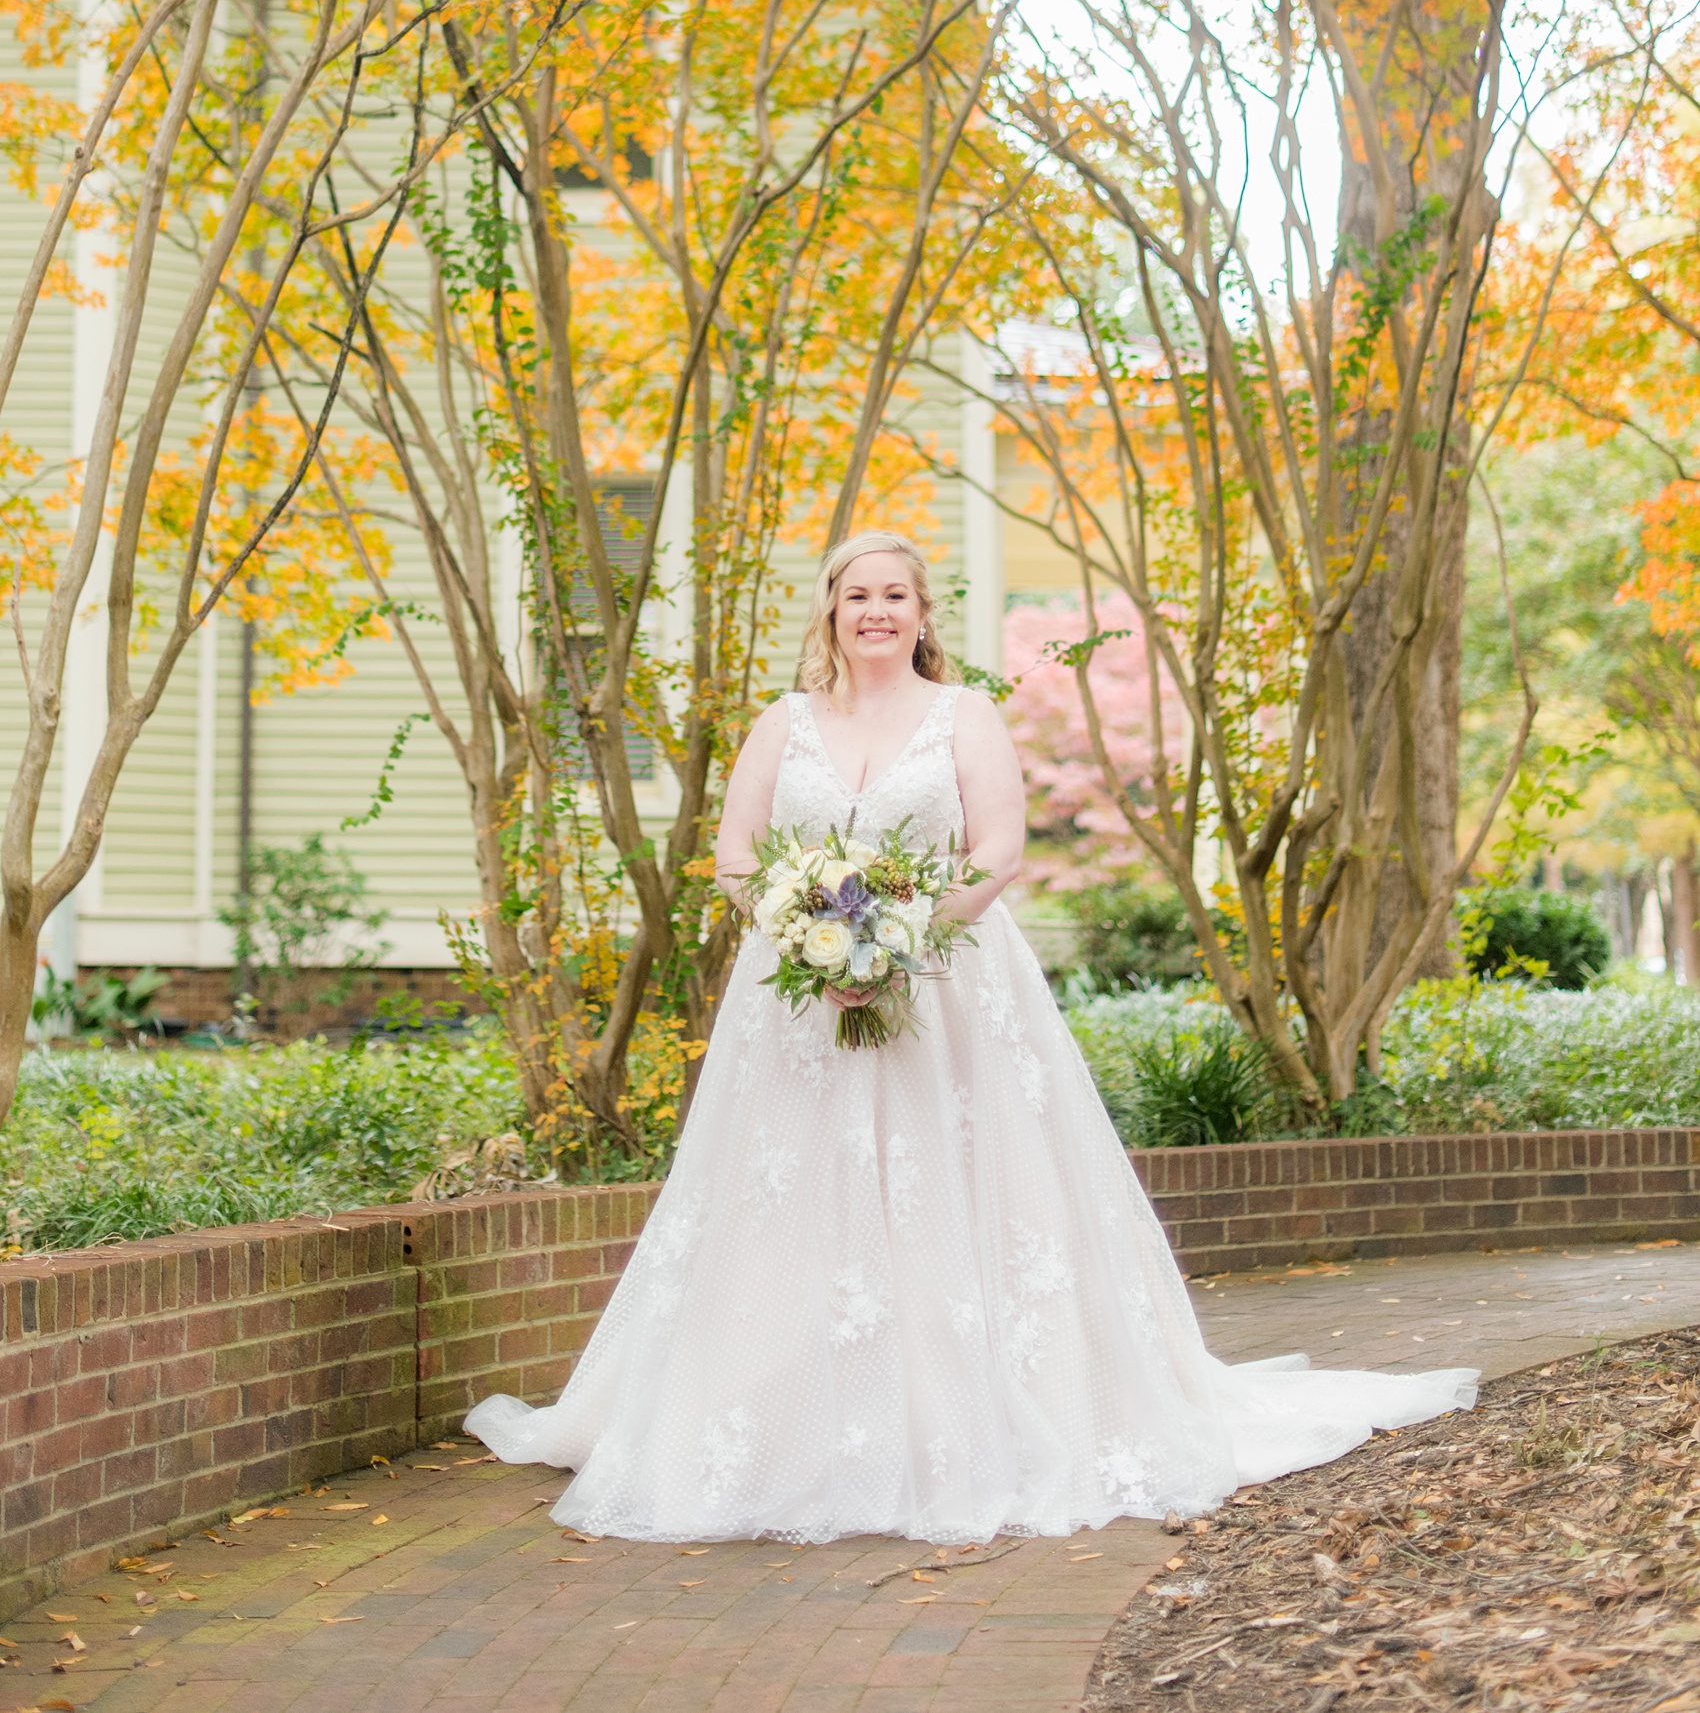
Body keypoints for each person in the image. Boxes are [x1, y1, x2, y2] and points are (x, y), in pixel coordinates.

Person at [465, 529, 1476, 1543]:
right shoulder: (782, 722)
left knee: (948, 1183)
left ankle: (965, 1417)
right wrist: (806, 928)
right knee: (792, 1192)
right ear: (828, 607)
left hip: (945, 989)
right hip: (796, 1002)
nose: (875, 610)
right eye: (856, 593)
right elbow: (734, 853)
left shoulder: (963, 715)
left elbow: (997, 848)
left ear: (920, 613)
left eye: (894, 593)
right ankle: (791, 1418)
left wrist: (897, 934)